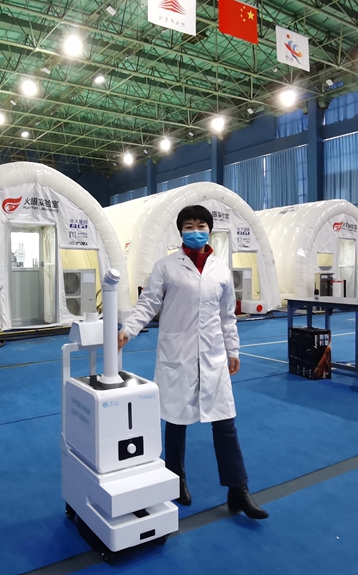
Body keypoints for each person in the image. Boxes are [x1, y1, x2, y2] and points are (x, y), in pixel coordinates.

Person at [118, 205, 268, 520]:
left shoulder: (221, 270)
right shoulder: (166, 267)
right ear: (181, 231)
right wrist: (128, 330)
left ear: (210, 230)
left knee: (225, 422)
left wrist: (233, 350)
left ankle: (238, 490)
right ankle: (176, 479)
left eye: (201, 225)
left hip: (213, 355)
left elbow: (227, 315)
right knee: (176, 421)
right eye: (189, 226)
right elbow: (148, 302)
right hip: (178, 355)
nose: (195, 231)